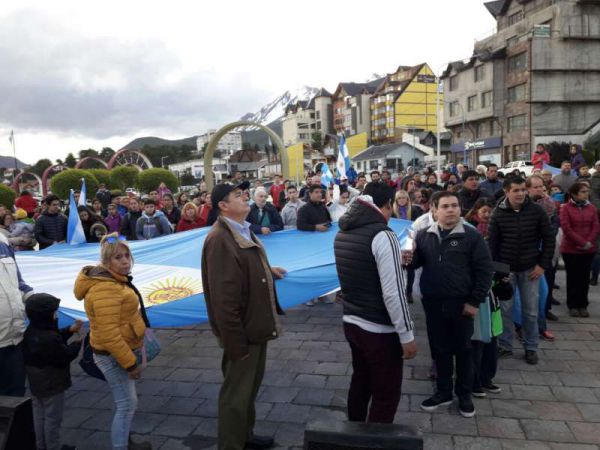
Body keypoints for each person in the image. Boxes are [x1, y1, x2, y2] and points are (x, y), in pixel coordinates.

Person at [201, 181, 286, 450]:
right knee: (236, 395)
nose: (245, 197)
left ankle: (245, 436)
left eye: (244, 193)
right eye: (237, 195)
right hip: (242, 333)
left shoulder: (241, 231)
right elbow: (224, 302)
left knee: (248, 389)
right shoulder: (220, 239)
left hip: (254, 326)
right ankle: (231, 444)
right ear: (223, 206)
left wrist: (266, 270)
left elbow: (243, 267)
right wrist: (236, 345)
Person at [334, 182, 416, 423]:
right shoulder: (383, 234)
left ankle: (355, 432)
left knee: (361, 380)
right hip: (379, 328)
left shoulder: (344, 230)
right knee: (386, 393)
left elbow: (360, 268)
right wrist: (407, 335)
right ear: (388, 204)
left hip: (352, 320)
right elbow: (394, 293)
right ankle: (376, 440)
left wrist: (393, 258)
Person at [411, 191, 493, 418]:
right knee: (440, 350)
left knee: (464, 352)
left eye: (455, 205)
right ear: (434, 210)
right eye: (445, 206)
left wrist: (474, 301)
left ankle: (464, 395)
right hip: (433, 304)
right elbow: (416, 264)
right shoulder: (423, 235)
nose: (451, 210)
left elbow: (485, 271)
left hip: (462, 305)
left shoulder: (471, 235)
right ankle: (444, 391)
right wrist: (407, 258)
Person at [74, 233, 151, 450]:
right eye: (118, 257)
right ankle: (120, 446)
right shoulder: (105, 288)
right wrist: (130, 363)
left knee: (126, 401)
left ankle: (126, 441)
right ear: (106, 262)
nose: (125, 261)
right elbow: (109, 334)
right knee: (127, 404)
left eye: (127, 255)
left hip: (119, 350)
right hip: (112, 355)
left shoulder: (112, 280)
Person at [488, 177, 555, 365]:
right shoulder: (498, 213)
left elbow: (549, 238)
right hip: (507, 271)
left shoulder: (536, 210)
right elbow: (492, 245)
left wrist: (542, 265)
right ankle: (505, 345)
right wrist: (499, 272)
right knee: (506, 310)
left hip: (530, 269)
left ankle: (531, 347)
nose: (520, 194)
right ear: (506, 191)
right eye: (515, 190)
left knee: (531, 311)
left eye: (523, 190)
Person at [23, 294, 82, 450]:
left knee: (39, 416)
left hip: (36, 383)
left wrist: (69, 330)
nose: (56, 315)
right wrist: (77, 344)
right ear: (46, 315)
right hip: (53, 384)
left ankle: (41, 445)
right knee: (53, 419)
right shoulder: (48, 337)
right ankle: (53, 447)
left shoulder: (31, 331)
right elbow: (64, 355)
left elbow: (54, 339)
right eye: (54, 312)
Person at [0, 232, 34, 396]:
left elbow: (19, 282)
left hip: (15, 335)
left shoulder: (2, 241)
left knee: (16, 396)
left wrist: (33, 299)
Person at [560, 182, 600, 317]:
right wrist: (582, 242)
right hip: (570, 249)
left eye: (587, 191)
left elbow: (596, 226)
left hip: (588, 249)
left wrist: (589, 241)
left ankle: (583, 304)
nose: (586, 194)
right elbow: (566, 228)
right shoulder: (565, 208)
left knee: (584, 278)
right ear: (574, 194)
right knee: (573, 277)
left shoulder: (592, 208)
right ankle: (572, 305)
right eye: (583, 191)